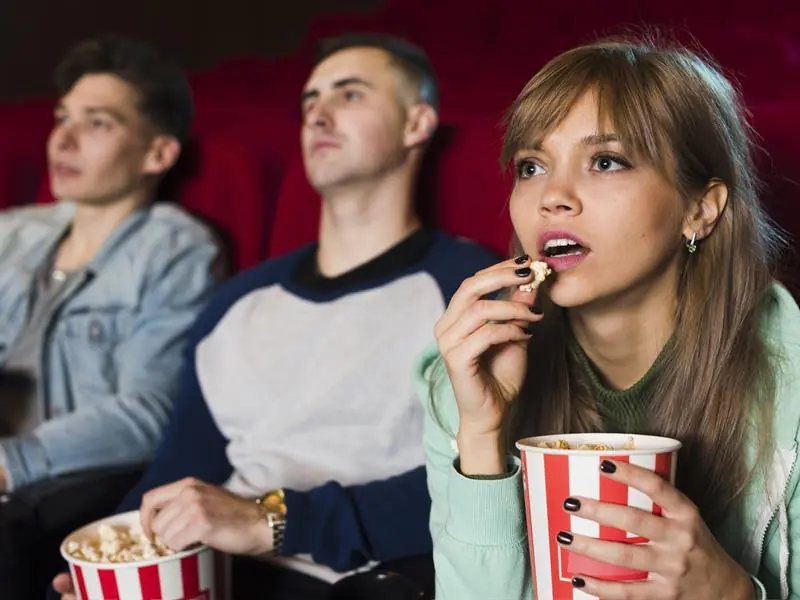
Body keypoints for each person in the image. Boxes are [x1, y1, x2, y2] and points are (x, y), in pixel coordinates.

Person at [52, 33, 499, 600]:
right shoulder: (236, 303)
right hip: (209, 572)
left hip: (359, 577)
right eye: (309, 102)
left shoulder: (469, 289)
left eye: (350, 95)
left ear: (417, 124)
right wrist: (106, 568)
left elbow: (484, 486)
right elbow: (179, 468)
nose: (318, 115)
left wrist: (270, 521)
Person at [416, 36, 800, 600]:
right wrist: (481, 435)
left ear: (701, 209)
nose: (553, 197)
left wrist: (733, 593)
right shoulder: (468, 375)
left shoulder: (792, 385)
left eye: (605, 161)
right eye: (531, 166)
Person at [0, 35, 221, 494]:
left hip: (58, 493)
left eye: (97, 124)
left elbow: (149, 413)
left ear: (158, 154)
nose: (62, 139)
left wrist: (9, 463)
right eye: (62, 118)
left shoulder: (176, 249)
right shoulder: (14, 231)